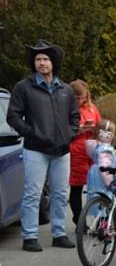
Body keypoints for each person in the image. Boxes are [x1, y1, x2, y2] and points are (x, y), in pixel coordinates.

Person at [6, 39, 79, 252]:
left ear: (53, 62)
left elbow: (74, 117)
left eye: (45, 59)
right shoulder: (24, 87)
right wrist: (32, 133)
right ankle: (29, 236)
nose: (41, 63)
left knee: (60, 193)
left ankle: (59, 233)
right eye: (38, 59)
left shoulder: (65, 89)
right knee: (32, 194)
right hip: (35, 149)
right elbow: (13, 116)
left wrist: (70, 135)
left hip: (61, 150)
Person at [68, 79, 102, 226]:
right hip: (76, 150)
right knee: (77, 186)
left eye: (82, 97)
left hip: (92, 150)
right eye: (76, 98)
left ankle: (102, 220)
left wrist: (96, 129)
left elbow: (100, 125)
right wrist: (78, 131)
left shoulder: (92, 108)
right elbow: (62, 131)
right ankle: (79, 220)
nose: (80, 101)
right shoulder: (67, 109)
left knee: (97, 184)